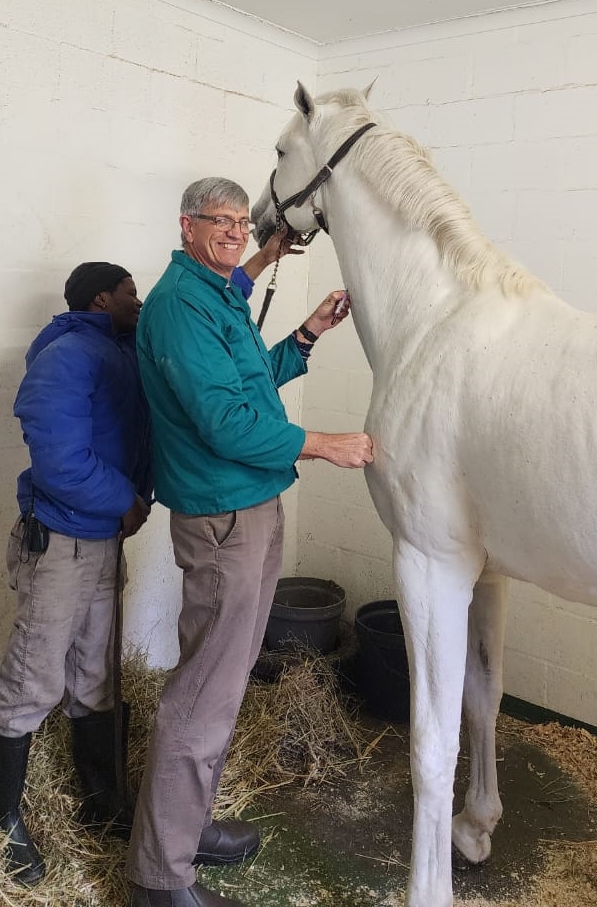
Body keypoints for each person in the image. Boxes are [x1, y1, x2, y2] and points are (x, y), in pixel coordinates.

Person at [126, 178, 374, 907]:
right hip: (224, 518)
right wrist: (324, 444)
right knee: (201, 694)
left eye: (242, 220)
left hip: (252, 505)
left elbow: (251, 389)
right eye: (221, 221)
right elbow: (227, 427)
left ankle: (187, 825)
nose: (237, 232)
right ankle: (159, 879)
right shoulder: (179, 308)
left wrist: (306, 336)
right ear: (186, 225)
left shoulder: (216, 292)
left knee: (223, 684)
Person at [0, 262, 153, 884]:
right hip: (59, 541)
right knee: (34, 677)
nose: (140, 301)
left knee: (96, 673)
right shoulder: (66, 357)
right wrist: (127, 500)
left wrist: (257, 266)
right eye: (131, 292)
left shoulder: (120, 350)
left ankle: (103, 803)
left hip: (103, 539)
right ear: (102, 298)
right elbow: (59, 461)